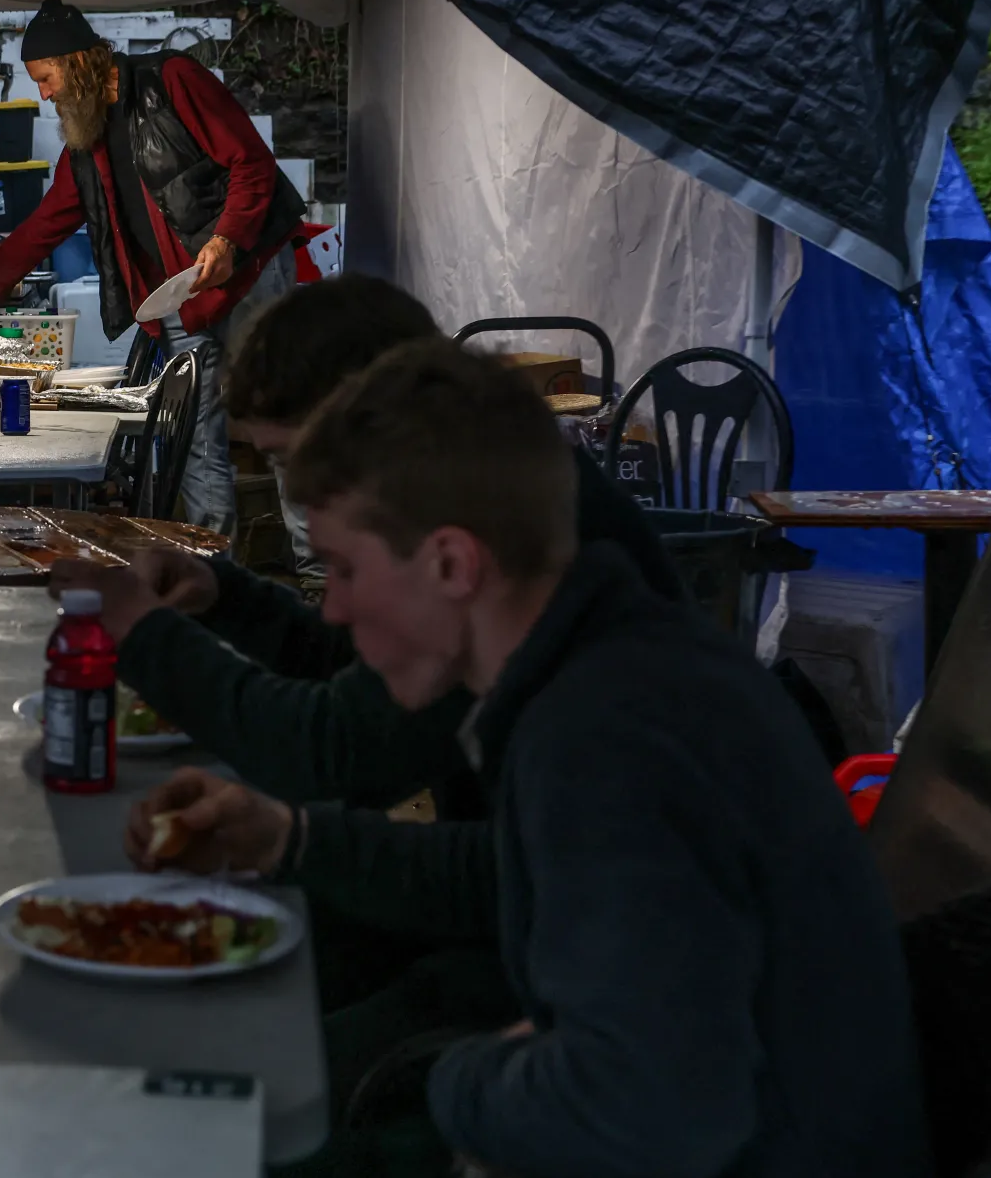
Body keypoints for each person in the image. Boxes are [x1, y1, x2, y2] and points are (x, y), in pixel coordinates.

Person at [132, 339, 929, 1178]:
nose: (335, 611)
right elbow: (521, 869)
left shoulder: (600, 734)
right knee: (222, 1138)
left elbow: (661, 1116)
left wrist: (458, 1074)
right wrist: (291, 837)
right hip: (742, 1172)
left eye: (346, 570)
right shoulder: (612, 658)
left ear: (451, 565)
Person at [52, 276, 685, 1088]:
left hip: (557, 987)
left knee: (224, 1070)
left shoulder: (520, 561)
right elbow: (377, 710)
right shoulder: (506, 521)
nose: (335, 602)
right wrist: (234, 598)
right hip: (528, 928)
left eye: (286, 461)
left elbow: (338, 749)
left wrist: (144, 633)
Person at [0, 0, 306, 535]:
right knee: (193, 439)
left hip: (248, 274)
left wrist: (228, 239)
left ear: (79, 63)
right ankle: (216, 570)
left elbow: (251, 161)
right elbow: (44, 227)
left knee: (283, 419)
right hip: (179, 298)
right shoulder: (85, 145)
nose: (42, 94)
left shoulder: (174, 79)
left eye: (45, 79)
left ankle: (316, 574)